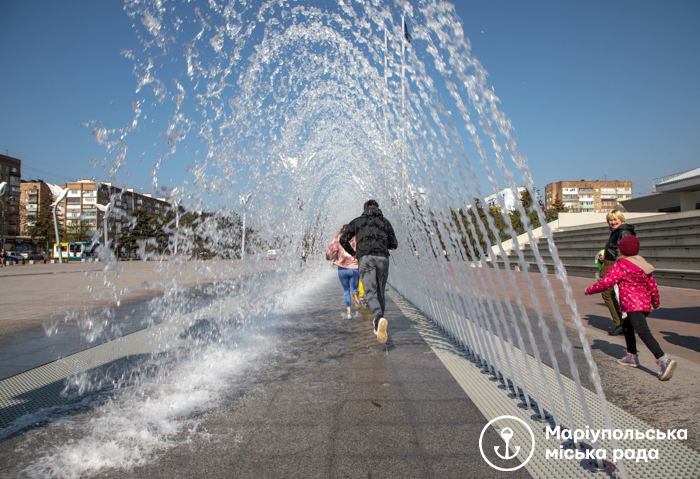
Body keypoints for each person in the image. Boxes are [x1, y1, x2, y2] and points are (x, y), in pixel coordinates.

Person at [585, 235, 676, 381]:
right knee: (627, 326)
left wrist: (590, 290)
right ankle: (631, 356)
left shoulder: (621, 265)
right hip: (644, 305)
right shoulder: (643, 264)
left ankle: (663, 360)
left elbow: (607, 282)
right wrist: (656, 302)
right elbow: (652, 286)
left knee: (643, 332)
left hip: (632, 305)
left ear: (621, 250)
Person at [340, 200, 398, 344]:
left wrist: (353, 252)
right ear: (377, 208)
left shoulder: (357, 221)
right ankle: (379, 323)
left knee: (370, 293)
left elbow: (343, 239)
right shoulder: (385, 222)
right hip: (383, 259)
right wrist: (384, 244)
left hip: (365, 259)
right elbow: (394, 244)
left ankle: (378, 319)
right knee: (380, 292)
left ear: (364, 209)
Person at [601, 210, 636, 336]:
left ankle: (623, 324)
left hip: (616, 267)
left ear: (621, 219)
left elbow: (624, 252)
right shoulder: (616, 232)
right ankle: (623, 323)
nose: (613, 222)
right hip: (611, 265)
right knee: (612, 294)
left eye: (615, 219)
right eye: (610, 220)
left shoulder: (623, 232)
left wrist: (619, 267)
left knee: (610, 294)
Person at [326, 225, 361, 320]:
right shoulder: (356, 237)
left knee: (346, 290)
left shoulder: (338, 238)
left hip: (342, 269)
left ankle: (349, 313)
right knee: (354, 288)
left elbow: (330, 251)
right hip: (354, 268)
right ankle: (356, 296)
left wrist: (329, 257)